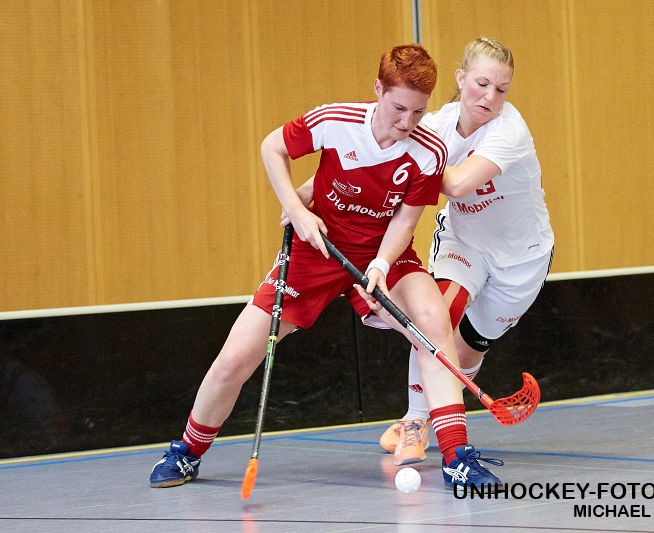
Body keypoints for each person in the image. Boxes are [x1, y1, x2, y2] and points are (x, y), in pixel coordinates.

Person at [149, 43, 503, 492]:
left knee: (434, 325)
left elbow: (406, 220)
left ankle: (457, 457)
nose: (406, 123)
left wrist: (379, 263)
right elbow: (271, 147)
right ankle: (187, 452)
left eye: (417, 112)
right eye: (397, 108)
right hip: (315, 252)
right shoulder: (335, 121)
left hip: (382, 255)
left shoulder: (428, 151)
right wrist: (297, 210)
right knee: (236, 357)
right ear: (378, 89)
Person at [374, 37, 555, 465]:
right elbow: (381, 162)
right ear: (460, 79)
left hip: (521, 258)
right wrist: (311, 194)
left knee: (469, 346)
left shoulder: (510, 129)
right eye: (481, 83)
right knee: (438, 319)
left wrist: (416, 165)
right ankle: (418, 420)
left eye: (501, 88)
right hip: (465, 244)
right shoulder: (435, 125)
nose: (490, 97)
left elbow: (455, 184)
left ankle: (438, 407)